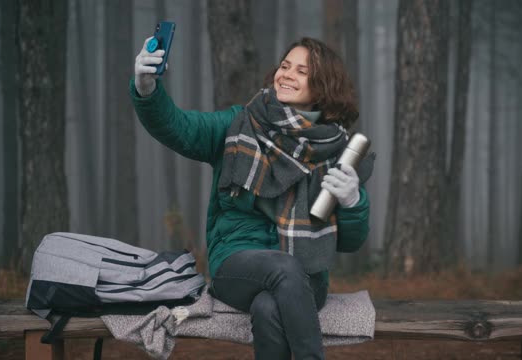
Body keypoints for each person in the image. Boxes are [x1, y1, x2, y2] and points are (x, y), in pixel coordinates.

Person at [132, 36, 372, 360]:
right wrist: (147, 90)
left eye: (301, 71)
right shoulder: (240, 123)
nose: (286, 74)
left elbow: (351, 242)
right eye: (285, 66)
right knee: (285, 268)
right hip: (236, 260)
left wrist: (353, 201)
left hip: (307, 279)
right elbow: (180, 128)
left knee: (268, 306)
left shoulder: (337, 150)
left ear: (323, 87)